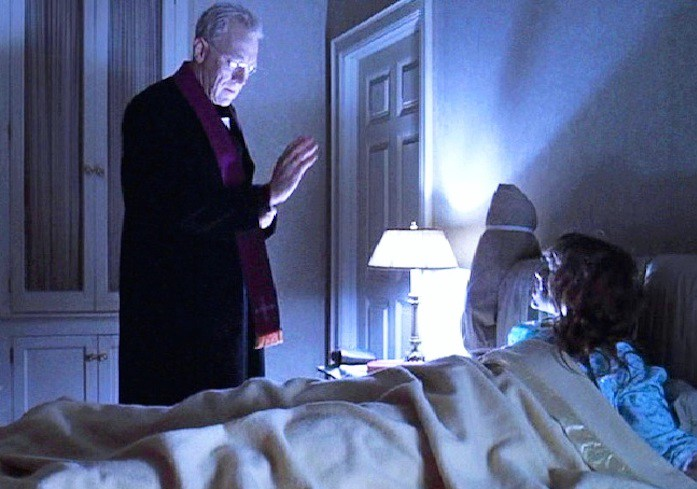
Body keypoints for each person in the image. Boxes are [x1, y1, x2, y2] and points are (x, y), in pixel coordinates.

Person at [119, 2, 318, 406]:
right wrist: (267, 196)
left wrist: (268, 205)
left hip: (231, 307)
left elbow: (234, 206)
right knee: (183, 426)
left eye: (251, 69)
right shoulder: (153, 110)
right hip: (177, 312)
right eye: (235, 63)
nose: (242, 79)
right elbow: (176, 209)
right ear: (200, 49)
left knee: (234, 422)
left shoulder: (222, 115)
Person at [507, 233, 697, 479]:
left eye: (552, 268)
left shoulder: (613, 360)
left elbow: (658, 433)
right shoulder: (526, 333)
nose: (538, 275)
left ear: (582, 289)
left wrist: (687, 460)